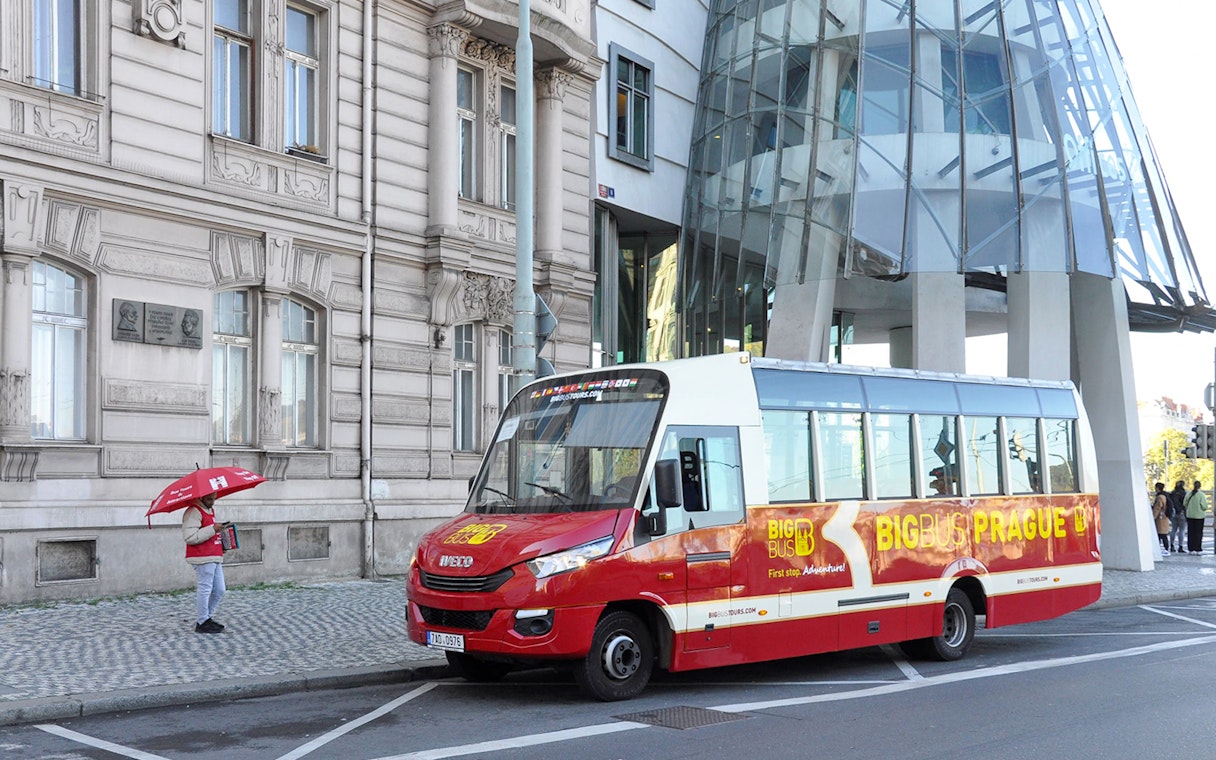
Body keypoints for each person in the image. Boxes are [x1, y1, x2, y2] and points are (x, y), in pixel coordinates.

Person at [182, 493, 230, 633]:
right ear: (201, 497)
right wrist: (213, 529)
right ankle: (203, 621)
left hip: (214, 555)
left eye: (214, 499)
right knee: (205, 588)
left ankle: (205, 618)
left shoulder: (209, 510)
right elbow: (190, 537)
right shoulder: (193, 512)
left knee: (220, 589)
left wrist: (221, 540)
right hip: (202, 556)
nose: (212, 502)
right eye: (209, 499)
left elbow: (209, 532)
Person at [1184, 480, 1210, 555]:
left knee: (1190, 533)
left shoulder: (1189, 494)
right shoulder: (1201, 495)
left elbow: (1185, 503)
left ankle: (1191, 549)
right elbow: (1205, 506)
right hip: (1199, 516)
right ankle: (1197, 549)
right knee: (1198, 533)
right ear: (1200, 486)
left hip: (1190, 515)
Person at [1151, 482, 1170, 555]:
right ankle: (1166, 548)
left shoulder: (1159, 497)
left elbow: (1157, 508)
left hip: (1160, 518)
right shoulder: (1165, 496)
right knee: (1164, 534)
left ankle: (1160, 549)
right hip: (1164, 517)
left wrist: (1153, 517)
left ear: (1157, 488)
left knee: (1160, 534)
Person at [1168, 480, 1187, 553]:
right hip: (1182, 513)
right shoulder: (1184, 493)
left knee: (1173, 529)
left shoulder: (1172, 493)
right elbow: (1185, 504)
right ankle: (1180, 546)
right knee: (1182, 530)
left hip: (1174, 513)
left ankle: (1172, 546)